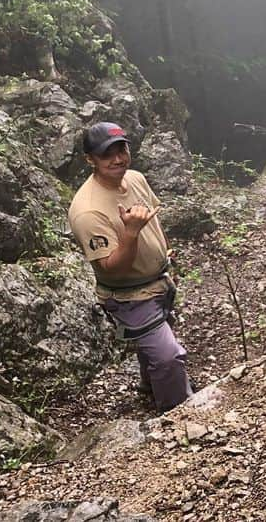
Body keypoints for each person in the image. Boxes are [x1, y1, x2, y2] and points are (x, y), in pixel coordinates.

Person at [68, 122, 193, 412]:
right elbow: (111, 269)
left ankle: (151, 385)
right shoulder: (88, 210)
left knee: (159, 335)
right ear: (90, 160)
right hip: (129, 295)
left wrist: (165, 254)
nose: (117, 159)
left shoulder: (135, 178)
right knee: (168, 356)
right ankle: (179, 414)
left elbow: (155, 221)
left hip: (158, 279)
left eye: (121, 149)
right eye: (106, 154)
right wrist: (131, 233)